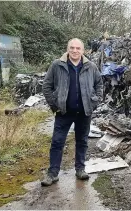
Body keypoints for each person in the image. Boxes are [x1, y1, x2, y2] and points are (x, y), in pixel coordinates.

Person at [41, 38, 103, 186]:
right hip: (64, 112)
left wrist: (93, 103)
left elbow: (99, 85)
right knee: (57, 142)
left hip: (84, 113)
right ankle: (52, 173)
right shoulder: (57, 65)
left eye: (78, 48)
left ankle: (80, 169)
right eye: (72, 48)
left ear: (83, 50)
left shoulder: (91, 66)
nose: (75, 51)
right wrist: (55, 105)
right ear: (67, 49)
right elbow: (46, 86)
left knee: (82, 141)